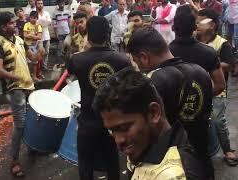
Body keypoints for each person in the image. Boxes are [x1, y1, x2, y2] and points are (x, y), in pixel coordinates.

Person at [126, 26, 215, 179]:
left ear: (144, 57)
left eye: (136, 62)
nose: (138, 67)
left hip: (171, 166)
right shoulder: (201, 72)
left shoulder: (152, 81)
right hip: (202, 159)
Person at [93, 67, 208, 179]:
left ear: (153, 113)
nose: (119, 141)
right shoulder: (142, 146)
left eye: (124, 128)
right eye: (111, 130)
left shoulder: (173, 174)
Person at [67, 16, 131, 180]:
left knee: (85, 163)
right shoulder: (122, 60)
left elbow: (69, 74)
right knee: (112, 162)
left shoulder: (76, 59)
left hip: (87, 121)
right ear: (107, 34)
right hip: (112, 121)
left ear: (88, 34)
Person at [0, 12, 35, 177]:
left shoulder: (19, 40)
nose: (15, 25)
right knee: (20, 124)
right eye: (11, 23)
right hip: (14, 89)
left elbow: (31, 57)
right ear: (3, 27)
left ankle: (32, 146)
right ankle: (14, 160)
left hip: (28, 86)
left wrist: (38, 56)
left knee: (31, 118)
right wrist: (13, 76)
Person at [196, 8, 238, 166]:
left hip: (217, 88)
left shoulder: (222, 43)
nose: (198, 23)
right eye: (197, 20)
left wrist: (211, 63)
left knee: (218, 120)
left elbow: (230, 64)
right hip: (198, 88)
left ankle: (227, 149)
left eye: (202, 20)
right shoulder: (194, 40)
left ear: (213, 25)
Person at [170, 5, 226, 97]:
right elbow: (220, 85)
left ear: (174, 26)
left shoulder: (165, 52)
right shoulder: (208, 52)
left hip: (174, 108)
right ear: (195, 26)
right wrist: (201, 99)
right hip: (202, 109)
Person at [24, 11, 45, 81]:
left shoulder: (37, 26)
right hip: (27, 46)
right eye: (32, 18)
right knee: (27, 62)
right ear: (29, 18)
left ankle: (34, 76)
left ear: (37, 18)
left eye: (35, 18)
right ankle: (27, 77)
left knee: (35, 62)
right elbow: (25, 36)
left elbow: (39, 37)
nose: (33, 19)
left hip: (35, 46)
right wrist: (33, 36)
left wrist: (30, 35)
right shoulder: (26, 25)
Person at [52, 0, 71, 67]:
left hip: (67, 33)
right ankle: (60, 63)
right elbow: (54, 24)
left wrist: (70, 32)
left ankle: (68, 63)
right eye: (60, 3)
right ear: (58, 4)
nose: (62, 4)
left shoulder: (67, 11)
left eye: (63, 3)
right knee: (59, 48)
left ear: (64, 3)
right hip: (60, 34)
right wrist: (56, 33)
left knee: (68, 48)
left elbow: (69, 22)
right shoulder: (55, 13)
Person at [36, 0, 52, 70]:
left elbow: (49, 22)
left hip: (46, 35)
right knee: (40, 52)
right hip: (39, 37)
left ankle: (44, 66)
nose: (40, 5)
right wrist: (44, 23)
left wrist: (40, 23)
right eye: (38, 3)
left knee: (47, 52)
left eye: (41, 3)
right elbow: (35, 25)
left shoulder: (46, 13)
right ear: (36, 5)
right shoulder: (34, 14)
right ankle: (39, 68)